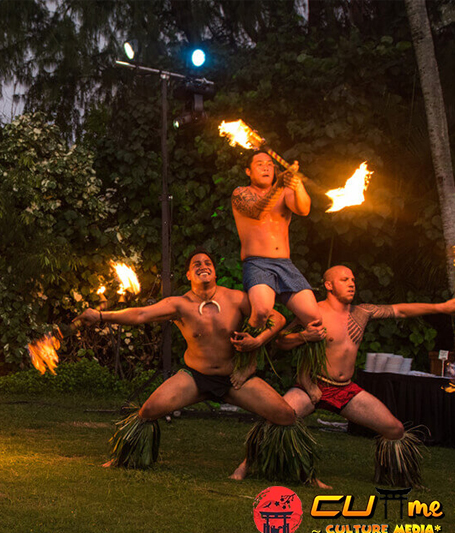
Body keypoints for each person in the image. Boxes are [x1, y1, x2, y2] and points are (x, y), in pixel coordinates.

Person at [73, 248, 296, 471]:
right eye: (196, 264)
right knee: (148, 410)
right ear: (188, 275)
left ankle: (268, 466)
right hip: (195, 378)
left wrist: (257, 342)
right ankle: (125, 458)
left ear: (215, 272)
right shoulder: (179, 304)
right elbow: (140, 314)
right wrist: (101, 316)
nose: (203, 266)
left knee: (285, 414)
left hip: (234, 378)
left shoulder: (237, 298)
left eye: (207, 263)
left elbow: (277, 318)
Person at [233, 265, 455, 487]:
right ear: (329, 285)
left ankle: (394, 475)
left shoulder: (362, 313)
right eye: (344, 279)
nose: (351, 284)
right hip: (311, 386)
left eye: (353, 280)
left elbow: (401, 310)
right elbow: (281, 341)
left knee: (395, 429)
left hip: (346, 389)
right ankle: (245, 465)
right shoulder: (312, 312)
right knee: (275, 418)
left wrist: (442, 307)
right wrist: (304, 336)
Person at [231, 152, 325, 402]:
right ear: (248, 171)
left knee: (314, 319)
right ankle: (248, 362)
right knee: (261, 311)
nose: (266, 168)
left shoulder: (284, 191)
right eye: (259, 164)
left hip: (285, 264)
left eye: (270, 165)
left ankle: (305, 376)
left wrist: (297, 182)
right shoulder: (241, 193)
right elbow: (257, 213)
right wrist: (281, 185)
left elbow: (304, 209)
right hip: (257, 262)